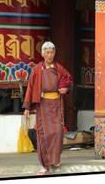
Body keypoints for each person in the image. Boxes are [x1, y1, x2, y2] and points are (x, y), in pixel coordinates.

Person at [23, 41, 73, 175]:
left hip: (56, 104)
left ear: (54, 53)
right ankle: (44, 165)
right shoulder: (37, 69)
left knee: (57, 132)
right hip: (43, 105)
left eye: (52, 52)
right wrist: (27, 107)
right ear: (43, 54)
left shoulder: (58, 67)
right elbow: (30, 87)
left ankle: (55, 159)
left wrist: (65, 89)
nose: (50, 55)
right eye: (47, 52)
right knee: (44, 135)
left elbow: (68, 78)